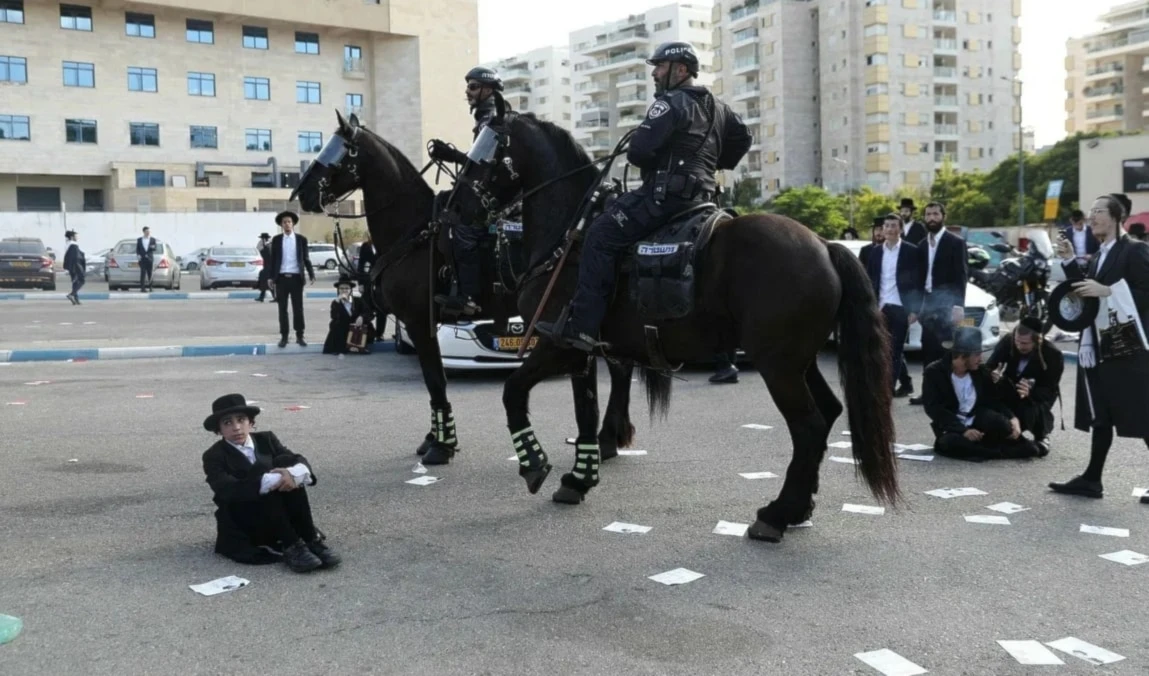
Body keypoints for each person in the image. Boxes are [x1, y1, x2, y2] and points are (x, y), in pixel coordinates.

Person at [536, 41, 753, 351]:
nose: (654, 73)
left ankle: (582, 326)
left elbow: (639, 153)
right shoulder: (720, 107)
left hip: (663, 200)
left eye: (660, 66)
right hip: (703, 200)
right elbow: (744, 137)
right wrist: (711, 162)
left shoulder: (669, 102)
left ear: (680, 70)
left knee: (600, 234)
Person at [1048, 193, 1149, 502]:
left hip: (1128, 347)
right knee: (1101, 414)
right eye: (1091, 212)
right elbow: (1086, 294)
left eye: (1099, 212)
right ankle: (1092, 479)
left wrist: (1108, 290)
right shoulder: (1101, 254)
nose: (1091, 217)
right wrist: (1068, 261)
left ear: (1118, 218)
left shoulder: (1134, 250)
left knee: (1142, 414)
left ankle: (1092, 478)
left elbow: (1145, 291)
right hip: (1100, 344)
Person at [201, 393, 340, 572]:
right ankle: (292, 546)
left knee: (286, 465)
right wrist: (269, 480)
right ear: (219, 430)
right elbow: (227, 489)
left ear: (250, 423)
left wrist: (291, 474)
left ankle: (310, 539)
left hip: (279, 510)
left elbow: (295, 458)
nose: (236, 428)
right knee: (264, 475)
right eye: (227, 423)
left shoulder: (266, 439)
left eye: (241, 420)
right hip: (245, 516)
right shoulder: (214, 455)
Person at [427, 66, 504, 317]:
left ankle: (467, 295)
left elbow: (483, 162)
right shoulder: (485, 117)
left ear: (488, 89)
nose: (467, 91)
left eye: (473, 87)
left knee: (462, 233)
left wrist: (451, 155)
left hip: (495, 197)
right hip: (482, 192)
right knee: (441, 203)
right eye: (468, 86)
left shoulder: (493, 118)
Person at [922, 327, 1043, 461]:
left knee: (1006, 427)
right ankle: (996, 452)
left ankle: (986, 451)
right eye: (977, 355)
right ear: (963, 355)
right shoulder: (934, 372)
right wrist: (963, 431)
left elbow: (993, 401)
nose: (980, 359)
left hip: (978, 420)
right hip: (952, 426)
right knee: (950, 442)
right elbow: (934, 409)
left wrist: (1013, 419)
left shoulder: (980, 371)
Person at [910, 202, 967, 405]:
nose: (931, 218)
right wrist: (915, 309)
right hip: (928, 307)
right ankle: (928, 394)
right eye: (928, 214)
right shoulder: (922, 245)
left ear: (943, 216)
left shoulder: (955, 243)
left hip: (947, 305)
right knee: (928, 352)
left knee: (947, 353)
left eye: (935, 214)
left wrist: (958, 307)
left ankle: (950, 395)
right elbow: (918, 280)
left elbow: (961, 276)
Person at [985, 316, 1064, 455]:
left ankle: (1041, 435)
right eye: (1017, 341)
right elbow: (989, 366)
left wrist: (1031, 392)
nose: (1020, 346)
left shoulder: (1053, 355)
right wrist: (994, 374)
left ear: (1037, 340)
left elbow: (1049, 390)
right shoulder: (1008, 341)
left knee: (1030, 410)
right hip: (1010, 390)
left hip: (1035, 399)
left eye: (1025, 343)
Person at [866, 213, 922, 396]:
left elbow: (918, 282)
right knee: (881, 350)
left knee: (895, 351)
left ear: (901, 229)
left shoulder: (911, 251)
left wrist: (915, 309)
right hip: (880, 308)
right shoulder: (875, 252)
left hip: (900, 308)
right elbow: (870, 280)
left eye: (894, 226)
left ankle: (887, 391)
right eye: (887, 226)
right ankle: (897, 384)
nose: (890, 229)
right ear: (883, 229)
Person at [269, 211, 316, 348]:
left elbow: (306, 258)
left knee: (298, 308)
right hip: (282, 278)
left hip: (296, 278)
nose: (287, 224)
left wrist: (311, 273)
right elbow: (273, 260)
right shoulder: (277, 240)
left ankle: (300, 336)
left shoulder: (301, 239)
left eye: (289, 221)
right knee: (282, 309)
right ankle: (284, 336)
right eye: (284, 222)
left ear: (293, 223)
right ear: (281, 225)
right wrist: (271, 277)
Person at [323, 275, 373, 354]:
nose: (344, 290)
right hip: (343, 329)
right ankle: (339, 348)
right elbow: (334, 316)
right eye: (342, 288)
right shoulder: (335, 302)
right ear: (338, 290)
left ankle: (361, 346)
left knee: (367, 324)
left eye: (347, 288)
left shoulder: (358, 300)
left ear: (350, 290)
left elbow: (368, 312)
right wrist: (338, 303)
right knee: (334, 324)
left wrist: (361, 317)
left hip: (357, 328)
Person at [356, 235, 388, 341]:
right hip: (368, 281)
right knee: (366, 307)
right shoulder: (365, 246)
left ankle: (380, 333)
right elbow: (361, 264)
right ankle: (366, 333)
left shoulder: (383, 245)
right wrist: (360, 283)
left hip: (381, 282)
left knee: (381, 309)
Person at [1062, 208, 1099, 273]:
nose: (1077, 225)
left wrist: (1092, 256)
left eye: (1080, 223)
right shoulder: (1067, 232)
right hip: (1074, 266)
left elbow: (1101, 248)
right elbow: (1064, 250)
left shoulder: (1092, 231)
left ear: (1083, 220)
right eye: (1075, 223)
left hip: (1091, 266)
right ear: (1071, 221)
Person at [62, 229, 86, 305]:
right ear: (72, 237)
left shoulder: (67, 244)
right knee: (82, 280)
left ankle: (76, 299)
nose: (77, 237)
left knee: (75, 282)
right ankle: (71, 295)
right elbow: (76, 257)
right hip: (76, 266)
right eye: (76, 236)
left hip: (71, 266)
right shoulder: (73, 245)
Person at [136, 226, 157, 292]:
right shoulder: (139, 239)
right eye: (147, 231)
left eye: (149, 231)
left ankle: (151, 287)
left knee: (150, 273)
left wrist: (152, 247)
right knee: (143, 273)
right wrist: (138, 255)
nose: (148, 233)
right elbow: (137, 249)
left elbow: (155, 248)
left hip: (150, 259)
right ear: (144, 232)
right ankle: (142, 288)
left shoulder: (152, 239)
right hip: (142, 259)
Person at [254, 233, 273, 303]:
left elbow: (259, 250)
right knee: (264, 282)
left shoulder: (267, 247)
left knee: (268, 282)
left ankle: (275, 297)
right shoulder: (268, 246)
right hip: (267, 267)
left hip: (269, 267)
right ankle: (262, 297)